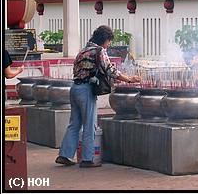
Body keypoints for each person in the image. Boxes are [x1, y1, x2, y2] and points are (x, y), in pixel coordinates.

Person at [55, 25, 141, 168]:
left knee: (74, 124)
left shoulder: (83, 51)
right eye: (108, 42)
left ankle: (64, 155)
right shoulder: (99, 51)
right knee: (90, 124)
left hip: (75, 88)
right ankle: (87, 159)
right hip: (86, 90)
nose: (108, 45)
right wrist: (129, 79)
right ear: (105, 39)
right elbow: (110, 70)